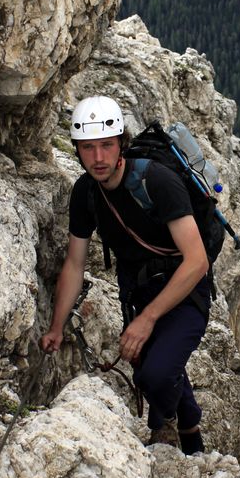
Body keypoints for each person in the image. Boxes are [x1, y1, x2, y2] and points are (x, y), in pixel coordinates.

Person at [40, 95, 209, 453]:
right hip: (138, 292)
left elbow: (196, 261)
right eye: (88, 148)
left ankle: (171, 430)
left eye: (106, 145)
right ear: (77, 151)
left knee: (155, 375)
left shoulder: (157, 182)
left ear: (121, 144)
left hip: (185, 290)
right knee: (154, 369)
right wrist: (56, 327)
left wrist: (147, 320)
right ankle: (190, 421)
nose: (98, 158)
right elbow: (74, 263)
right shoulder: (85, 193)